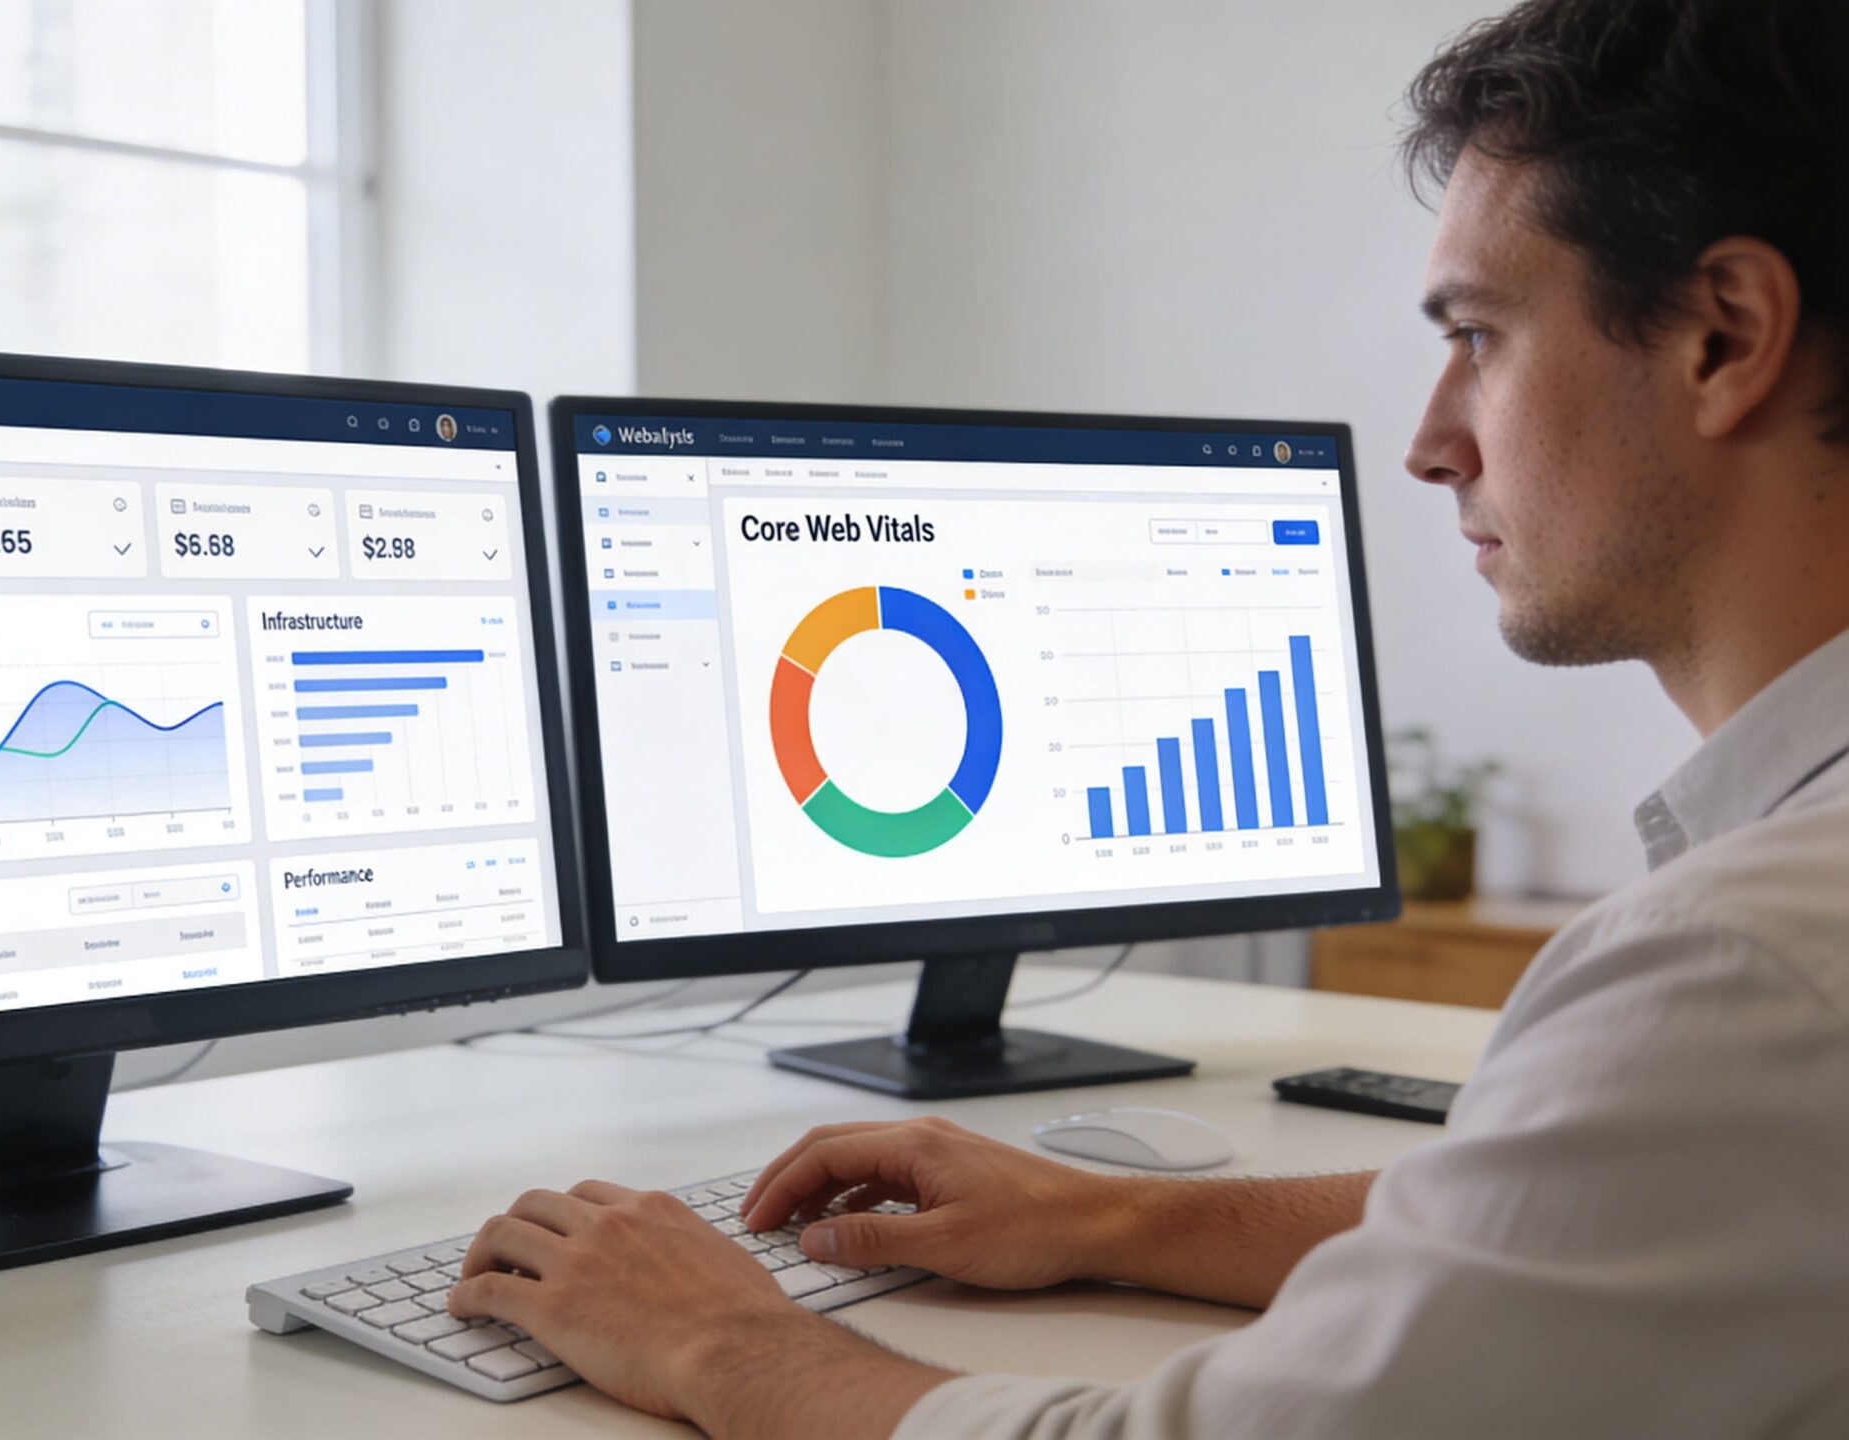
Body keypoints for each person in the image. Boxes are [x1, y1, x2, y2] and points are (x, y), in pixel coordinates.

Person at [445, 1, 1849, 1434]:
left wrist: (718, 1344)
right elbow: (1573, 1222)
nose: (1431, 444)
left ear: (1723, 337)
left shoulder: (1743, 965)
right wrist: (1120, 1220)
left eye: (1478, 336)